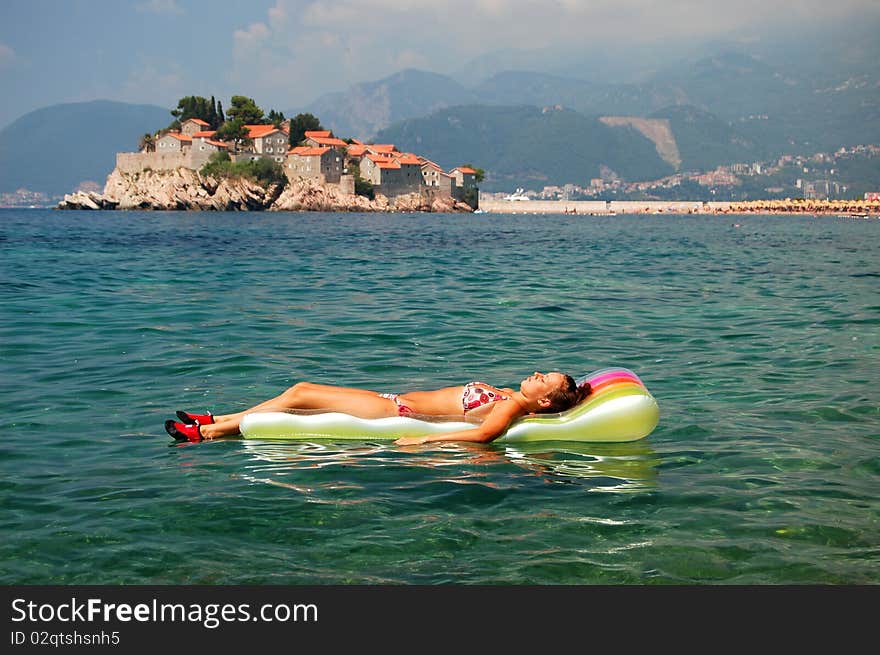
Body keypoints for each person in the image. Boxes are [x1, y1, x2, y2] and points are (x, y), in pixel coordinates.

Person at [165, 371, 590, 446]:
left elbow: (482, 436)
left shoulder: (509, 411)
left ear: (545, 401)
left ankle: (208, 433)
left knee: (299, 395)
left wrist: (423, 441)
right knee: (298, 395)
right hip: (392, 401)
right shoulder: (508, 395)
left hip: (396, 415)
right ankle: (219, 420)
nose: (535, 374)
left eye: (543, 380)